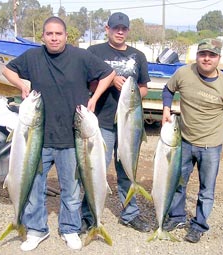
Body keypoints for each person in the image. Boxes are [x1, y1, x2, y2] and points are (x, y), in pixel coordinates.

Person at [2, 16, 115, 251]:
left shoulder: (81, 57)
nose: (54, 37)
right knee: (34, 186)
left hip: (73, 137)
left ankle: (70, 228)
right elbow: (6, 69)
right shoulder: (33, 57)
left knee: (72, 189)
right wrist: (22, 86)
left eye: (58, 34)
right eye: (49, 34)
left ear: (66, 36)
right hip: (37, 137)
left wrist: (94, 99)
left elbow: (108, 74)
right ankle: (35, 230)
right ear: (43, 36)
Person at [161, 38, 223, 243]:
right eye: (203, 54)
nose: (206, 58)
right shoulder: (183, 73)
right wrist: (166, 108)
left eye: (212, 55)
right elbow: (168, 89)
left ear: (219, 58)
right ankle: (177, 217)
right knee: (178, 182)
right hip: (184, 142)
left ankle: (199, 225)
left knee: (206, 189)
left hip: (211, 146)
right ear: (197, 55)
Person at [80, 12, 151, 233]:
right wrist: (110, 82)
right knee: (96, 169)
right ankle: (88, 214)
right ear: (107, 29)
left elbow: (144, 88)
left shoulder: (138, 56)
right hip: (101, 122)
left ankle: (130, 214)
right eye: (115, 28)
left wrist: (130, 91)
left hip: (130, 125)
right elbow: (87, 84)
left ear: (127, 31)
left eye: (124, 29)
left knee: (127, 170)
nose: (120, 32)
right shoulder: (94, 52)